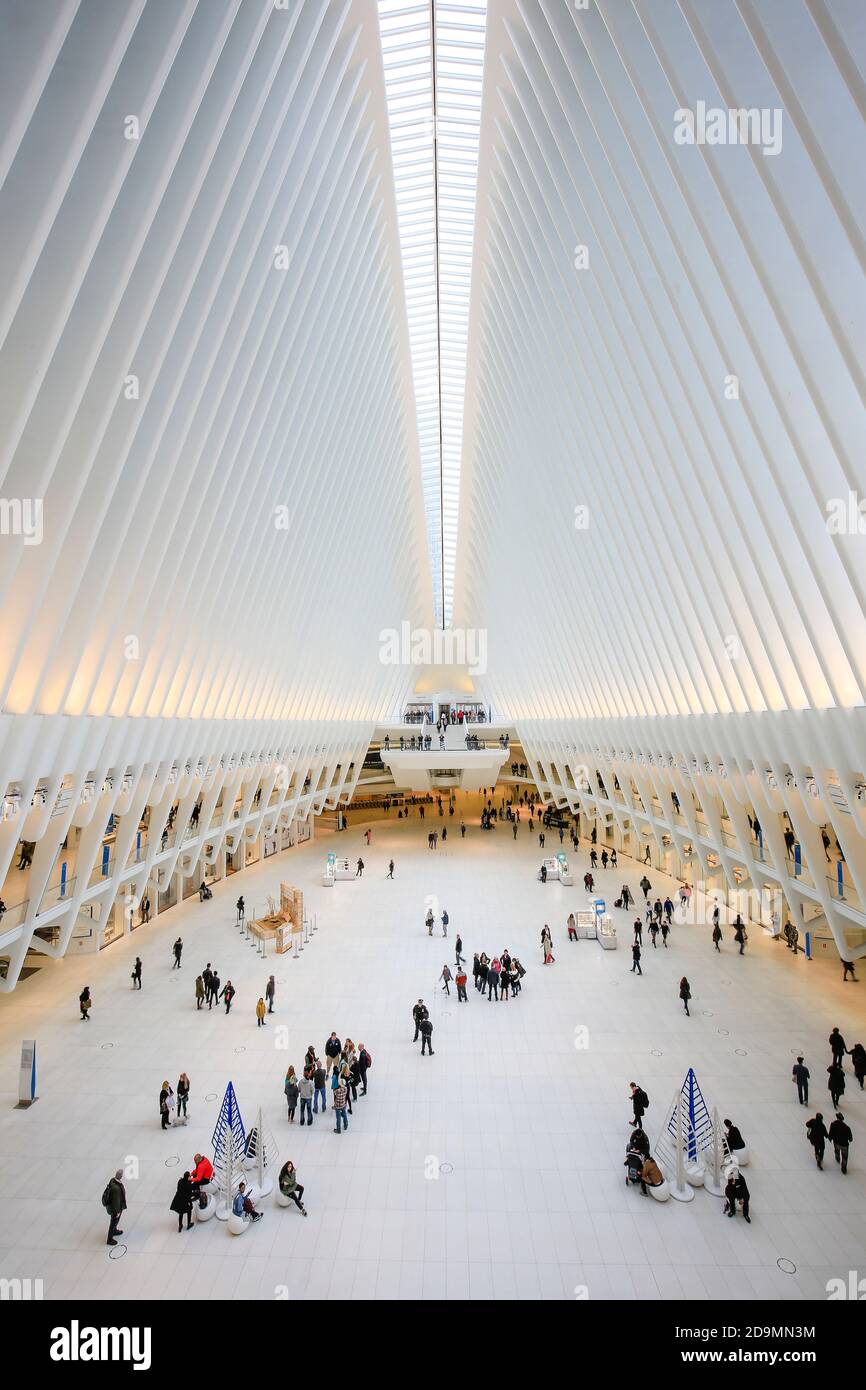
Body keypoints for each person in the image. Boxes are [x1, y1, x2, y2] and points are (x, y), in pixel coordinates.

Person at [103, 1169, 127, 1245]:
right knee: (113, 1222)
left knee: (114, 1222)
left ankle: (114, 1231)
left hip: (115, 1207)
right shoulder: (116, 1188)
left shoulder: (113, 1180)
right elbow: (116, 1201)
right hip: (115, 1209)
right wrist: (118, 1211)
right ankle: (109, 1239)